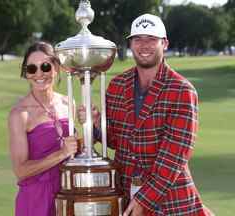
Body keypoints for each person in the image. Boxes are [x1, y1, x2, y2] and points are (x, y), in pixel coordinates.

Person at [78, 14, 214, 215]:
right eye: (138, 39)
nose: (144, 45)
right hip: (125, 194)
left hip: (170, 200)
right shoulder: (117, 85)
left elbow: (174, 157)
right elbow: (116, 140)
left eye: (151, 39)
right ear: (130, 44)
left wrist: (143, 199)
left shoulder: (182, 90)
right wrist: (97, 124)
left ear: (164, 43)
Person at [8, 41, 78, 216]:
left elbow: (75, 152)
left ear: (56, 68)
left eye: (45, 66)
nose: (39, 74)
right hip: (36, 200)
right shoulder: (20, 114)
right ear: (26, 73)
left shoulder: (68, 103)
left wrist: (90, 124)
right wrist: (60, 154)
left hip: (68, 194)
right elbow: (20, 171)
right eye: (32, 69)